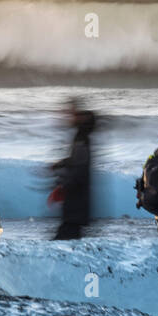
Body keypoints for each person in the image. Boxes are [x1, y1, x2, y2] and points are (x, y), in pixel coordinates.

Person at [50, 100, 96, 240]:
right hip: (77, 200)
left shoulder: (81, 139)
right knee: (70, 235)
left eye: (72, 114)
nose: (68, 117)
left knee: (66, 236)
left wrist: (64, 187)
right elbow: (77, 162)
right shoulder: (81, 138)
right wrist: (61, 163)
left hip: (75, 201)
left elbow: (79, 169)